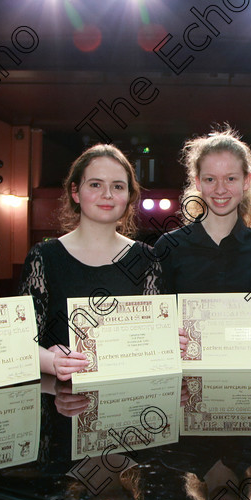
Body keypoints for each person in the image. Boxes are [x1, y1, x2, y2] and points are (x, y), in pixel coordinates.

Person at [19, 144, 160, 381]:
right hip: (61, 402)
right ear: (75, 192)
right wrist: (51, 362)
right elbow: (22, 343)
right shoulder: (43, 257)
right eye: (95, 184)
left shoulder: (147, 259)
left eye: (118, 186)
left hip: (128, 401)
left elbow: (154, 339)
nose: (107, 194)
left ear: (128, 196)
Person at [153, 126, 251, 294]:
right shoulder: (169, 247)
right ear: (198, 182)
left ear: (246, 181)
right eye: (210, 179)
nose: (220, 189)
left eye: (230, 179)